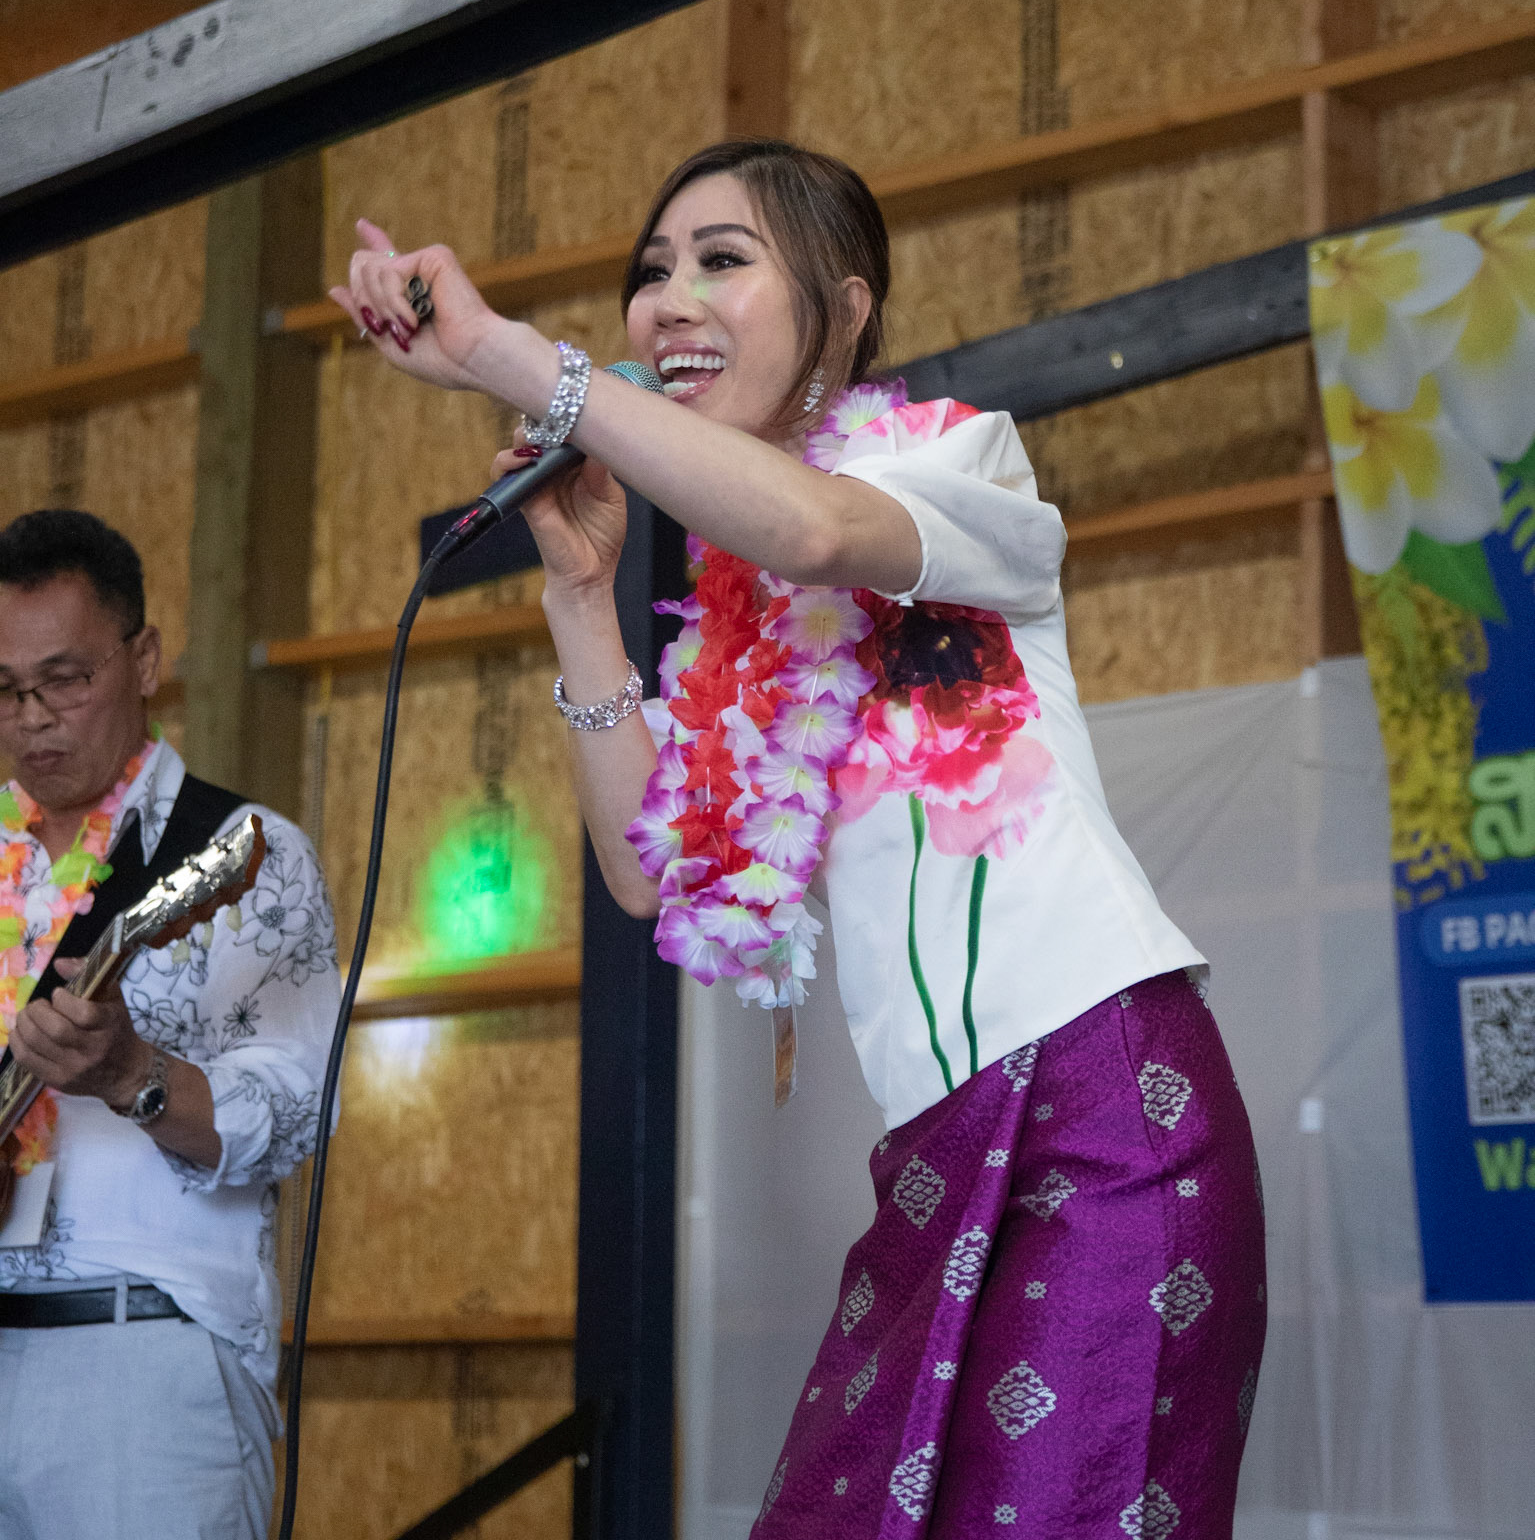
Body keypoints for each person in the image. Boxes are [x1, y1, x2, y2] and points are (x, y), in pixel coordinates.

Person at [336, 139, 1267, 1536]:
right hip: (939, 1133)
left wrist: (508, 357)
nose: (668, 299)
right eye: (652, 271)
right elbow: (646, 873)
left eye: (721, 260)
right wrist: (580, 594)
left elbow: (820, 530)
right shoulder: (740, 619)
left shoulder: (949, 458)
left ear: (843, 309)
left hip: (1101, 1104)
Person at [0, 509, 339, 1540]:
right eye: (4, 690)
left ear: (143, 659)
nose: (32, 718)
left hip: (140, 1356)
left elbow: (296, 1114)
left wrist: (130, 1073)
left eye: (65, 679)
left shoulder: (244, 855)